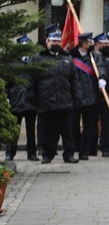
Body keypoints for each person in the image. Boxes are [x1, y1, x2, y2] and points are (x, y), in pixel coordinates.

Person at [31, 25, 81, 164]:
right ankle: (48, 154)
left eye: (58, 41)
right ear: (47, 41)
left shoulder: (67, 58)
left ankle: (69, 154)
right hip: (46, 101)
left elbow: (74, 80)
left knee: (67, 130)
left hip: (65, 101)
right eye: (53, 41)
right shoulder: (38, 58)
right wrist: (32, 98)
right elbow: (31, 80)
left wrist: (76, 97)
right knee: (49, 131)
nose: (56, 44)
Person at [70, 32, 107, 160]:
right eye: (89, 42)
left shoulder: (94, 57)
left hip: (91, 96)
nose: (91, 44)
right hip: (76, 97)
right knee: (73, 124)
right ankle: (76, 147)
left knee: (89, 126)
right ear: (83, 44)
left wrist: (102, 77)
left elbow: (101, 68)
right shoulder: (71, 57)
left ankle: (84, 151)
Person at [5, 35, 38, 161]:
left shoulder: (34, 62)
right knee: (14, 129)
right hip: (16, 100)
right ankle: (10, 152)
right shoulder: (12, 64)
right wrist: (8, 97)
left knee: (31, 130)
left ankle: (32, 153)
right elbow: (7, 83)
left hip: (30, 101)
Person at [93, 33, 109, 156]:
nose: (106, 45)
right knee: (92, 123)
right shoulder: (91, 57)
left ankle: (105, 148)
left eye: (107, 43)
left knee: (106, 123)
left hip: (107, 94)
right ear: (97, 44)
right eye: (103, 43)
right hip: (93, 94)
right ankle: (92, 147)